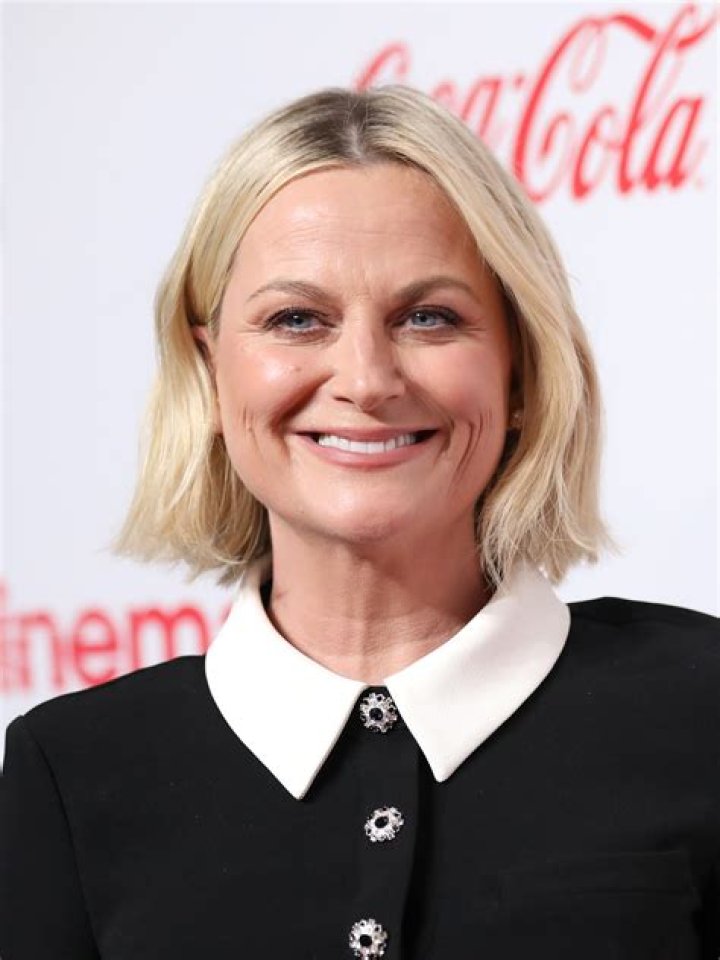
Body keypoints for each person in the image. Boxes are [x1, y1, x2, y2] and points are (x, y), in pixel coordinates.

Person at [1, 84, 718, 960]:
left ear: (521, 373)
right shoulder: (71, 770)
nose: (368, 379)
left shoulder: (703, 707)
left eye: (429, 317)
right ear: (209, 373)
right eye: (297, 319)